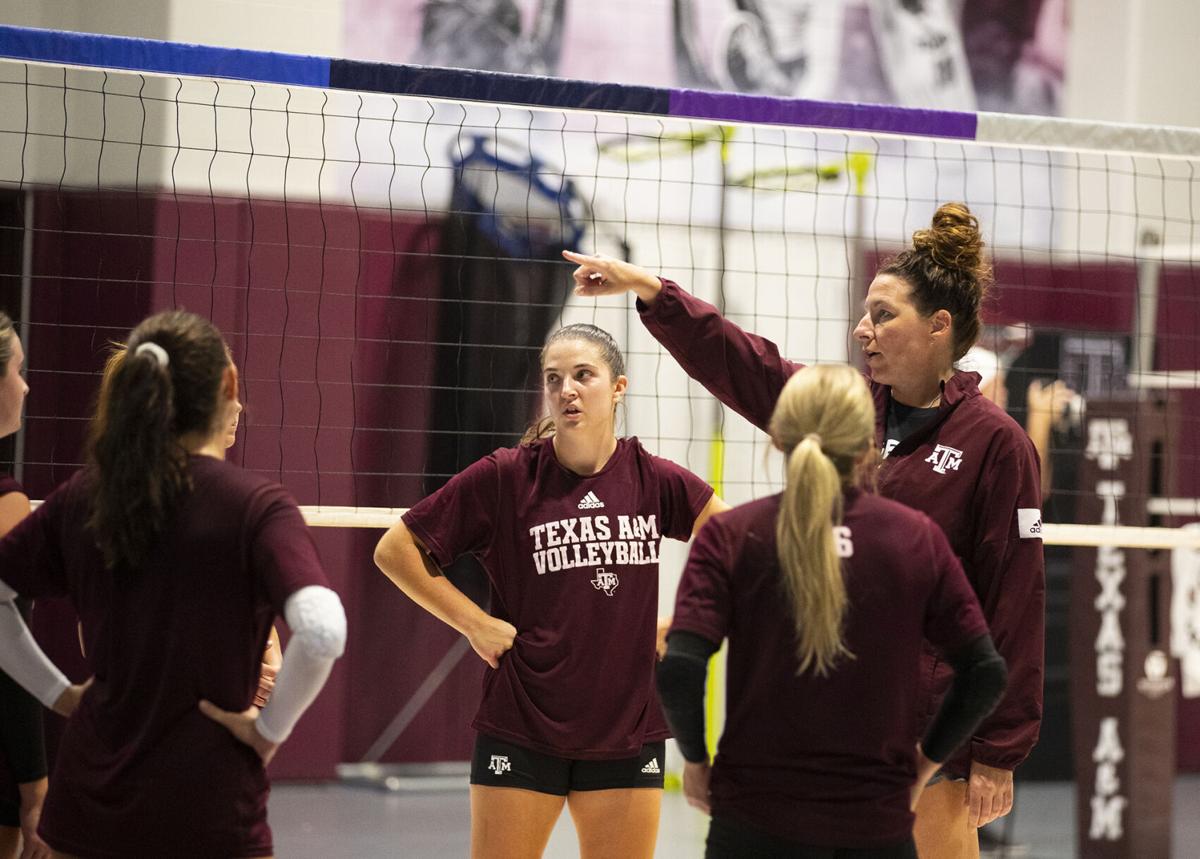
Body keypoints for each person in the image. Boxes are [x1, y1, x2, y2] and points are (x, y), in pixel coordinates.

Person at [565, 201, 1044, 859]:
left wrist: (998, 749)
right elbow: (747, 364)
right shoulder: (843, 414)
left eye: (883, 315)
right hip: (810, 720)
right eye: (864, 312)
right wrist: (654, 291)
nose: (861, 330)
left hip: (920, 738)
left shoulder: (996, 444)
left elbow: (1014, 600)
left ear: (939, 327)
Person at [0, 310, 346, 858]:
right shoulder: (257, 507)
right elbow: (324, 632)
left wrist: (58, 694)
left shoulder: (82, 497)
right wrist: (269, 730)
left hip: (87, 807)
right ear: (226, 387)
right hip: (210, 809)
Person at [375, 323, 726, 859]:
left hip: (625, 729)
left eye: (584, 375)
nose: (568, 390)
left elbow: (739, 548)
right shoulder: (506, 477)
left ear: (618, 387)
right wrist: (473, 622)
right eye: (554, 378)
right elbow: (395, 550)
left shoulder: (655, 479)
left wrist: (687, 622)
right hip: (522, 723)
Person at [657, 364, 1008, 856]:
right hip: (873, 824)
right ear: (868, 444)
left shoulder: (733, 535)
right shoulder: (913, 538)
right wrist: (922, 767)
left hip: (753, 821)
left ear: (778, 439)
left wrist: (695, 764)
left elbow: (679, 668)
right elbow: (985, 673)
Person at [0, 312, 51, 859]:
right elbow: (7, 648)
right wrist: (34, 784)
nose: (26, 384)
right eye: (17, 369)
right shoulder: (5, 501)